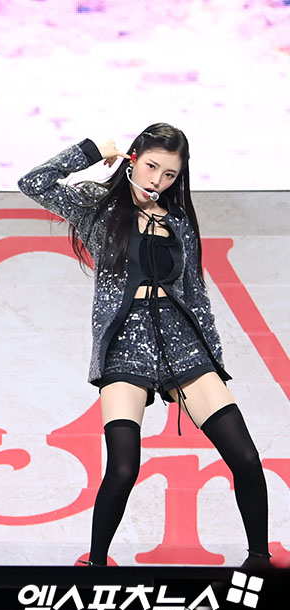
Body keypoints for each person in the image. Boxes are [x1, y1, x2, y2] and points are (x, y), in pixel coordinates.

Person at [18, 123, 270, 568]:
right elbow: (33, 182)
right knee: (123, 467)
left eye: (170, 174)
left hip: (182, 340)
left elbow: (196, 293)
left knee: (246, 458)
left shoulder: (179, 221)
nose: (158, 180)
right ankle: (96, 565)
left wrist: (212, 360)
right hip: (125, 344)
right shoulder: (98, 209)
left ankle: (259, 560)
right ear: (132, 158)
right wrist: (91, 151)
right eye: (152, 167)